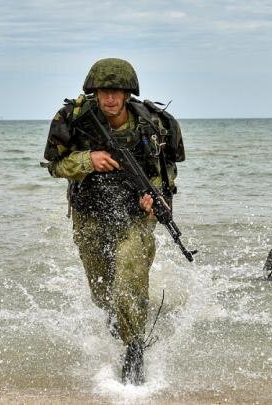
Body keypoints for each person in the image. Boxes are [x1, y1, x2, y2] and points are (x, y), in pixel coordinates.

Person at [42, 58, 185, 385]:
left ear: (127, 93)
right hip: (89, 216)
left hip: (135, 218)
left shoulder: (151, 124)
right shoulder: (73, 120)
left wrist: (156, 200)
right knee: (102, 293)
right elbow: (54, 166)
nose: (110, 99)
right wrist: (87, 160)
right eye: (104, 91)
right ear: (94, 91)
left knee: (128, 279)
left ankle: (135, 349)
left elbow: (166, 172)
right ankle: (120, 321)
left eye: (117, 92)